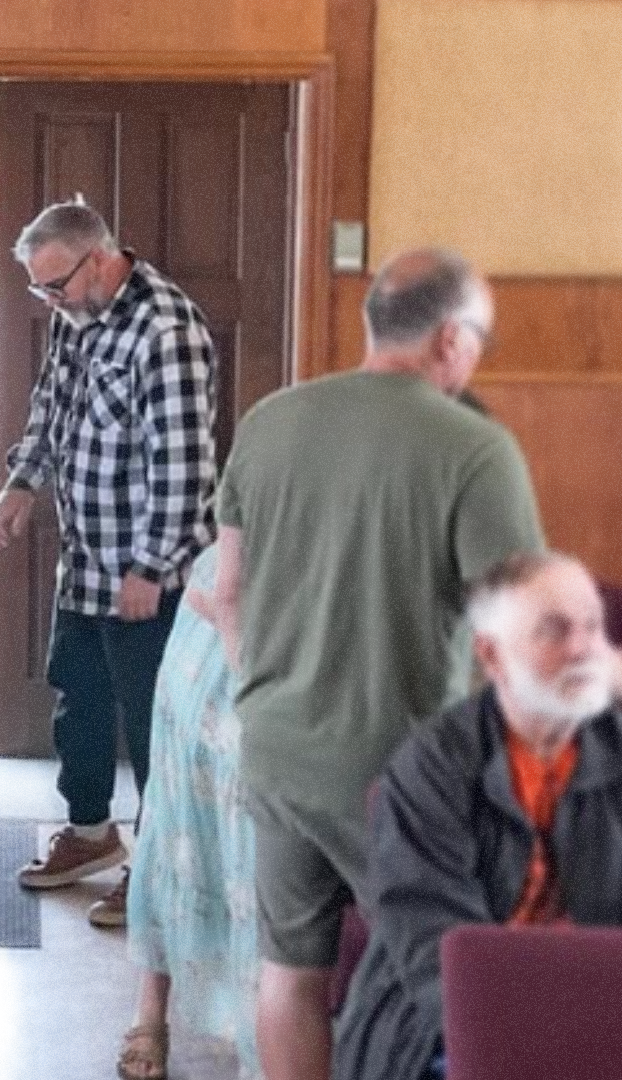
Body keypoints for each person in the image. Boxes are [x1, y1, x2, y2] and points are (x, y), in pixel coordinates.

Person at [212, 247, 546, 1080]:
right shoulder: (472, 448)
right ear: (451, 339)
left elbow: (226, 592)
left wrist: (264, 697)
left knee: (291, 970)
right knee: (441, 980)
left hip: (275, 749)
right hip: (400, 772)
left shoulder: (270, 420)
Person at [0, 199, 217, 927]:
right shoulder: (77, 314)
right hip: (86, 562)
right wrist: (24, 481)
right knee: (78, 697)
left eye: (55, 285)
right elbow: (51, 403)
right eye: (38, 290)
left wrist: (150, 567)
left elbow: (184, 465)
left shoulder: (166, 331)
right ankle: (90, 835)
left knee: (157, 725)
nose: (49, 301)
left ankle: (158, 872)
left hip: (148, 572)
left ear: (100, 258)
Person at [334, 551, 622, 1080]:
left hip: (600, 1007)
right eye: (554, 631)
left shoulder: (612, 743)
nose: (583, 648)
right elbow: (437, 958)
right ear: (492, 655)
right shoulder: (431, 770)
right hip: (443, 1029)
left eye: (592, 629)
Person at [117, 545, 259, 1080]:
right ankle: (151, 1006)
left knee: (264, 855)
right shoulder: (269, 465)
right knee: (181, 818)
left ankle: (261, 1035)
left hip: (315, 614)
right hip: (223, 624)